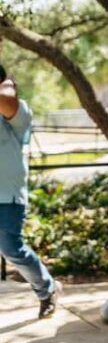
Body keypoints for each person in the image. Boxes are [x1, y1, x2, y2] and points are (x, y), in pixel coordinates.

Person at [0, 63, 61, 318]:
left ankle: (46, 290)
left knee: (11, 249)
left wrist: (6, 87)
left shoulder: (18, 111)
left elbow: (8, 101)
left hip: (7, 196)